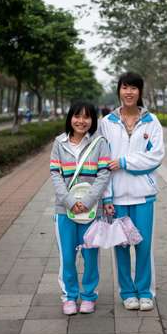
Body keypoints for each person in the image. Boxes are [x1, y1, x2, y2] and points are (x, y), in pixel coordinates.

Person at [100, 72, 165, 311]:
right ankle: (127, 292)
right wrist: (106, 196)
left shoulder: (151, 122)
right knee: (121, 245)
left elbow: (155, 156)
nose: (129, 92)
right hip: (116, 197)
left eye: (134, 88)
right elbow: (103, 162)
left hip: (143, 196)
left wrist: (125, 162)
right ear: (119, 90)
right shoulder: (106, 123)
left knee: (144, 245)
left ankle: (145, 292)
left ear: (140, 92)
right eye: (125, 87)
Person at [50, 101, 111, 315]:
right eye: (77, 116)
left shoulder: (100, 143)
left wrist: (87, 201)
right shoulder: (59, 142)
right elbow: (55, 174)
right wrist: (68, 201)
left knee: (90, 255)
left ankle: (88, 296)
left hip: (92, 211)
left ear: (93, 120)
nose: (81, 121)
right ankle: (69, 296)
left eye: (87, 117)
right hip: (64, 211)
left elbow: (104, 174)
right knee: (67, 256)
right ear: (70, 118)